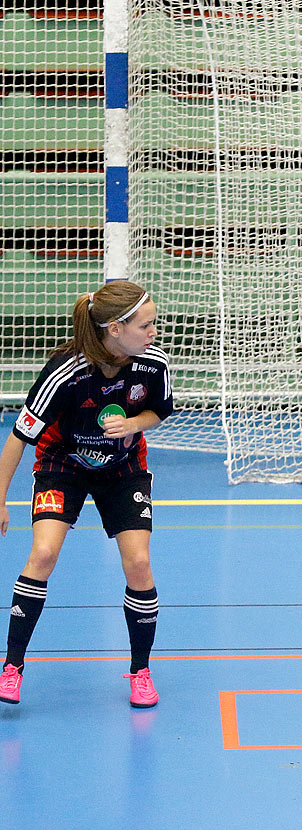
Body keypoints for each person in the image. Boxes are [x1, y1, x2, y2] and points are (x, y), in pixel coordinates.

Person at [0, 281, 173, 708]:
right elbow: (19, 436)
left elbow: (160, 411)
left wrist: (134, 425)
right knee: (42, 555)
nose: (155, 332)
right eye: (146, 325)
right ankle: (12, 667)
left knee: (139, 562)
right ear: (115, 329)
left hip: (123, 469)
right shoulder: (67, 370)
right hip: (63, 465)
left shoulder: (152, 364)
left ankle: (140, 671)